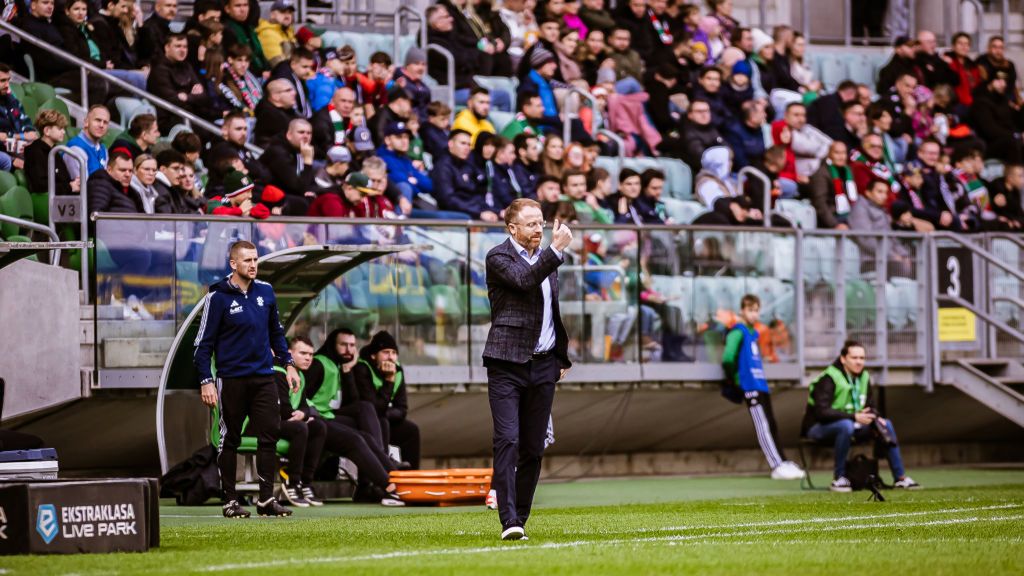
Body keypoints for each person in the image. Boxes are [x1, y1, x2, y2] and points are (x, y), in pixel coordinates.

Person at [484, 198, 573, 541]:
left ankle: (520, 517)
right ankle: (508, 519)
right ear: (512, 229)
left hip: (543, 365)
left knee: (534, 447)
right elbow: (523, 281)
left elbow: (551, 313)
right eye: (532, 224)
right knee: (507, 439)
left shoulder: (546, 260)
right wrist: (555, 251)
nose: (539, 229)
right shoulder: (499, 257)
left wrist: (559, 358)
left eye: (541, 222)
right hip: (506, 364)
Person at [195, 239, 299, 518]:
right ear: (233, 264)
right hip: (231, 379)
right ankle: (230, 501)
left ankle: (266, 501)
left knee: (270, 436)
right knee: (230, 440)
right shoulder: (217, 297)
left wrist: (288, 364)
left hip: (264, 378)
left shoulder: (266, 292)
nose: (254, 265)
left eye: (256, 259)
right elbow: (202, 345)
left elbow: (276, 333)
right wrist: (206, 380)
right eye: (247, 260)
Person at [802, 340, 921, 492]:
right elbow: (821, 412)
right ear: (843, 359)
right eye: (854, 358)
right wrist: (853, 417)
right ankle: (840, 478)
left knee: (886, 424)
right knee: (845, 426)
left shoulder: (864, 377)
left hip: (852, 425)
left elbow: (870, 406)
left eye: (862, 358)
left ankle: (900, 478)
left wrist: (875, 416)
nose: (859, 362)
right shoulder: (829, 377)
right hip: (819, 428)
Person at [721, 294, 805, 480]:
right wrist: (733, 379)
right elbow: (728, 358)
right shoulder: (738, 332)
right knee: (763, 426)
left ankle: (782, 460)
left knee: (771, 424)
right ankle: (776, 465)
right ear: (742, 310)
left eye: (757, 310)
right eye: (750, 310)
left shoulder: (754, 334)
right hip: (749, 385)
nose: (754, 314)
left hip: (761, 384)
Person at [271, 336, 327, 507]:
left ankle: (306, 482)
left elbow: (303, 406)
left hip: (287, 422)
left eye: (311, 354)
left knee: (318, 426)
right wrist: (303, 415)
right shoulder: (277, 371)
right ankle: (292, 481)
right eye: (303, 353)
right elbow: (283, 410)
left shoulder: (299, 375)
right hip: (262, 424)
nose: (308, 358)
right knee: (300, 428)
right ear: (289, 354)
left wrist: (303, 413)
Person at [353, 331, 420, 470]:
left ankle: (412, 476)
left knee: (411, 430)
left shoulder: (398, 371)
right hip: (363, 422)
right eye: (385, 352)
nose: (391, 357)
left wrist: (385, 413)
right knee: (381, 421)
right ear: (374, 355)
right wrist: (389, 380)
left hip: (384, 418)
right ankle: (384, 467)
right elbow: (373, 406)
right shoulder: (362, 368)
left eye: (394, 353)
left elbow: (402, 409)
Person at [147, 33, 212, 131]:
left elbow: (204, 97)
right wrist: (193, 96)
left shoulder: (187, 66)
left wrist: (187, 97)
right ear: (167, 48)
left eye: (185, 47)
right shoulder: (159, 70)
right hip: (170, 120)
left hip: (191, 115)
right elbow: (172, 101)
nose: (182, 50)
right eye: (178, 46)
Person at [430, 129, 497, 220]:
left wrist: (492, 211)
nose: (466, 148)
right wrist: (478, 213)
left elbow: (475, 196)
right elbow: (447, 200)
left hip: (470, 212)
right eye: (463, 143)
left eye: (469, 145)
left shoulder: (467, 165)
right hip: (454, 217)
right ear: (451, 144)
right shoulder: (443, 166)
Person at [259, 118, 316, 213]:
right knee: (302, 203)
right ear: (289, 135)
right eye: (301, 132)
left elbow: (310, 183)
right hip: (270, 196)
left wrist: (314, 193)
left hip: (290, 195)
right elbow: (296, 186)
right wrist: (308, 161)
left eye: (309, 133)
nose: (306, 136)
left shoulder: (302, 151)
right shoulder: (278, 152)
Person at [24, 109, 78, 196]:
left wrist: (74, 183)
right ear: (47, 131)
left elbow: (64, 180)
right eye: (60, 128)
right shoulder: (34, 151)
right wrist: (70, 187)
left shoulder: (55, 151)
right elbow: (40, 185)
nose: (64, 132)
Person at [809, 141, 856, 230]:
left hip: (848, 214)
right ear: (829, 154)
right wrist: (834, 224)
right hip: (833, 218)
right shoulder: (821, 174)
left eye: (843, 153)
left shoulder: (847, 171)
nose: (841, 157)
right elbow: (820, 203)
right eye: (837, 153)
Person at [0, 63, 37, 172]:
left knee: (42, 149)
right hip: (5, 151)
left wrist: (26, 139)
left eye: (8, 80)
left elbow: (27, 124)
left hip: (16, 147)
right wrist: (12, 159)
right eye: (2, 81)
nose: (7, 85)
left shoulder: (12, 100)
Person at [221, 0, 269, 75]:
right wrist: (261, 73)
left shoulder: (249, 27)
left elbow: (260, 52)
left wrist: (267, 70)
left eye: (245, 5)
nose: (243, 10)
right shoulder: (227, 30)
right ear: (227, 9)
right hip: (246, 75)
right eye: (238, 6)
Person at [269, 47, 315, 118]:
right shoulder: (284, 78)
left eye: (310, 67)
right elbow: (291, 108)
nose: (308, 71)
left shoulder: (296, 74)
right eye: (305, 67)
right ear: (293, 64)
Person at [66, 105, 111, 179]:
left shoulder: (103, 149)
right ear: (86, 122)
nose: (101, 125)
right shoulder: (75, 148)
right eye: (98, 120)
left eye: (105, 122)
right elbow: (82, 187)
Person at [254, 79, 300, 148]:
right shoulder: (269, 114)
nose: (294, 93)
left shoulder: (287, 110)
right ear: (275, 96)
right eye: (288, 90)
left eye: (293, 89)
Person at [393, 47, 432, 122]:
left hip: (422, 124)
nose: (421, 68)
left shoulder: (424, 87)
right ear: (407, 65)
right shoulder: (400, 81)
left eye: (423, 64)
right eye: (416, 63)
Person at [256, 0, 297, 67]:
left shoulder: (288, 31)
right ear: (272, 15)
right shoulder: (268, 33)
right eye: (283, 12)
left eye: (289, 12)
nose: (287, 16)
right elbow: (279, 66)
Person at [137, 0, 177, 66]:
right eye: (168, 5)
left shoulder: (166, 29)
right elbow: (154, 56)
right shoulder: (149, 28)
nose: (172, 9)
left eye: (174, 6)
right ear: (157, 7)